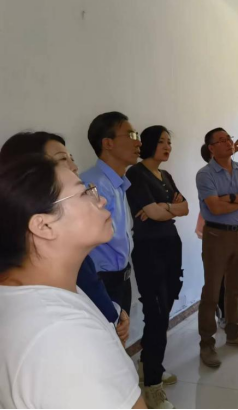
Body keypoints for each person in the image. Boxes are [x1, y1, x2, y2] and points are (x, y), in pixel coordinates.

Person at [0, 155, 146, 409]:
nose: (101, 200)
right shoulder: (63, 335)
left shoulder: (45, 288)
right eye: (85, 192)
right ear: (44, 225)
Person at [0, 131, 130, 346]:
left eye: (72, 158)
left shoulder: (67, 268)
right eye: (61, 160)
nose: (74, 167)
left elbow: (91, 289)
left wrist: (113, 311)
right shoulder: (57, 326)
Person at [126, 126, 188, 410]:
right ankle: (152, 386)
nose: (167, 146)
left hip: (171, 245)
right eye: (162, 141)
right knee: (157, 313)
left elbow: (185, 207)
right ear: (149, 143)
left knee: (166, 305)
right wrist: (166, 208)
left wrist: (163, 208)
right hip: (149, 250)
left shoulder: (166, 175)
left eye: (169, 142)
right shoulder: (136, 174)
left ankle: (149, 364)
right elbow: (151, 213)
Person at [196, 128, 238, 369]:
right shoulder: (205, 174)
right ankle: (207, 343)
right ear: (211, 148)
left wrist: (229, 198)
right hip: (216, 236)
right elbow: (214, 208)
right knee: (212, 292)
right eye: (221, 140)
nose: (227, 143)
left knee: (235, 287)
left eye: (228, 138)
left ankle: (234, 333)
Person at [81, 112, 141, 316]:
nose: (138, 143)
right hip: (102, 279)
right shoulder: (92, 184)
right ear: (108, 143)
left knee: (121, 332)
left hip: (121, 277)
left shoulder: (118, 182)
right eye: (131, 135)